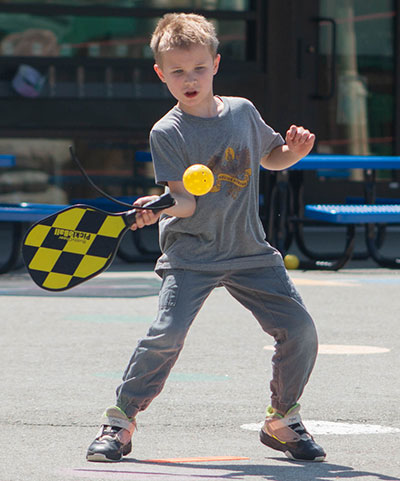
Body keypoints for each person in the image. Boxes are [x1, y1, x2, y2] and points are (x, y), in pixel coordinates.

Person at [86, 12, 326, 463]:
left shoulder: (242, 111)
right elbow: (185, 202)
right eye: (177, 71)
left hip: (249, 250)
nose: (189, 79)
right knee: (167, 333)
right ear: (161, 74)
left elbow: (270, 158)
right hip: (191, 254)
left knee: (300, 330)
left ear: (215, 63)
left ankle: (282, 420)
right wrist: (153, 206)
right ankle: (120, 421)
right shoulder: (168, 132)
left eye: (198, 68)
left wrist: (293, 152)